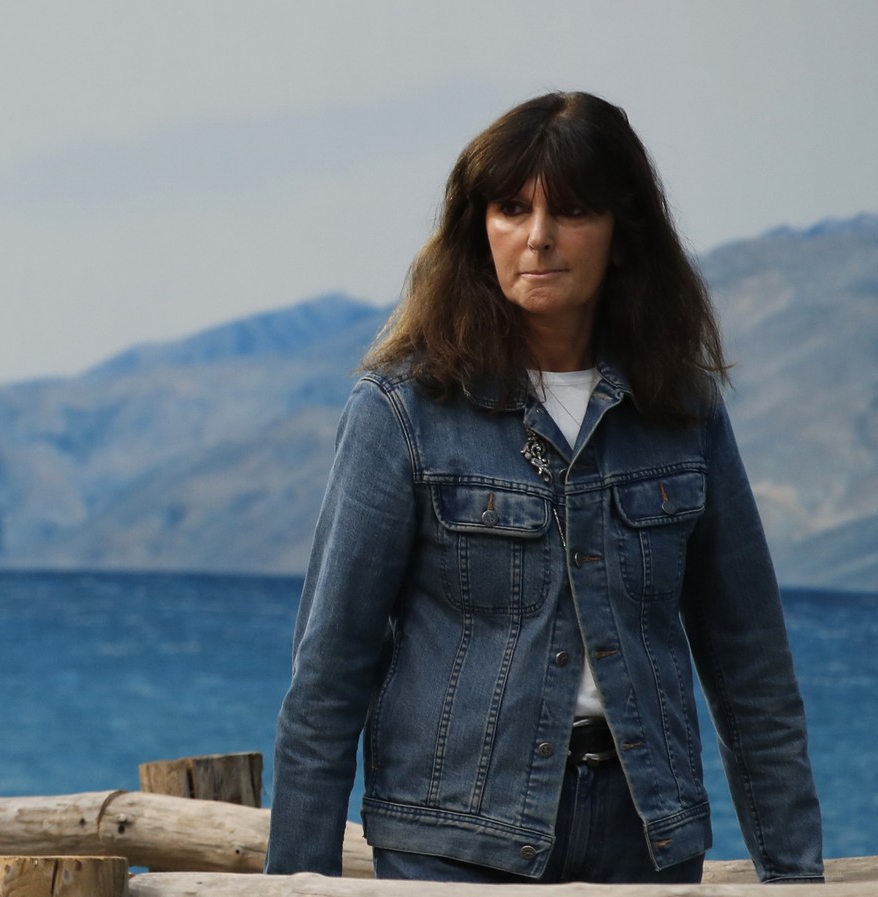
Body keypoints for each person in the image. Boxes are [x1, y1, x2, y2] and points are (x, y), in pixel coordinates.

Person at [265, 92, 823, 884]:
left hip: (646, 841)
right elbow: (328, 676)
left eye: (573, 210)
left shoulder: (682, 412)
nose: (538, 237)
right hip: (452, 844)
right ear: (477, 228)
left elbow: (752, 670)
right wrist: (296, 881)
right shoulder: (402, 409)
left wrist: (795, 875)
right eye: (511, 208)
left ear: (623, 233)